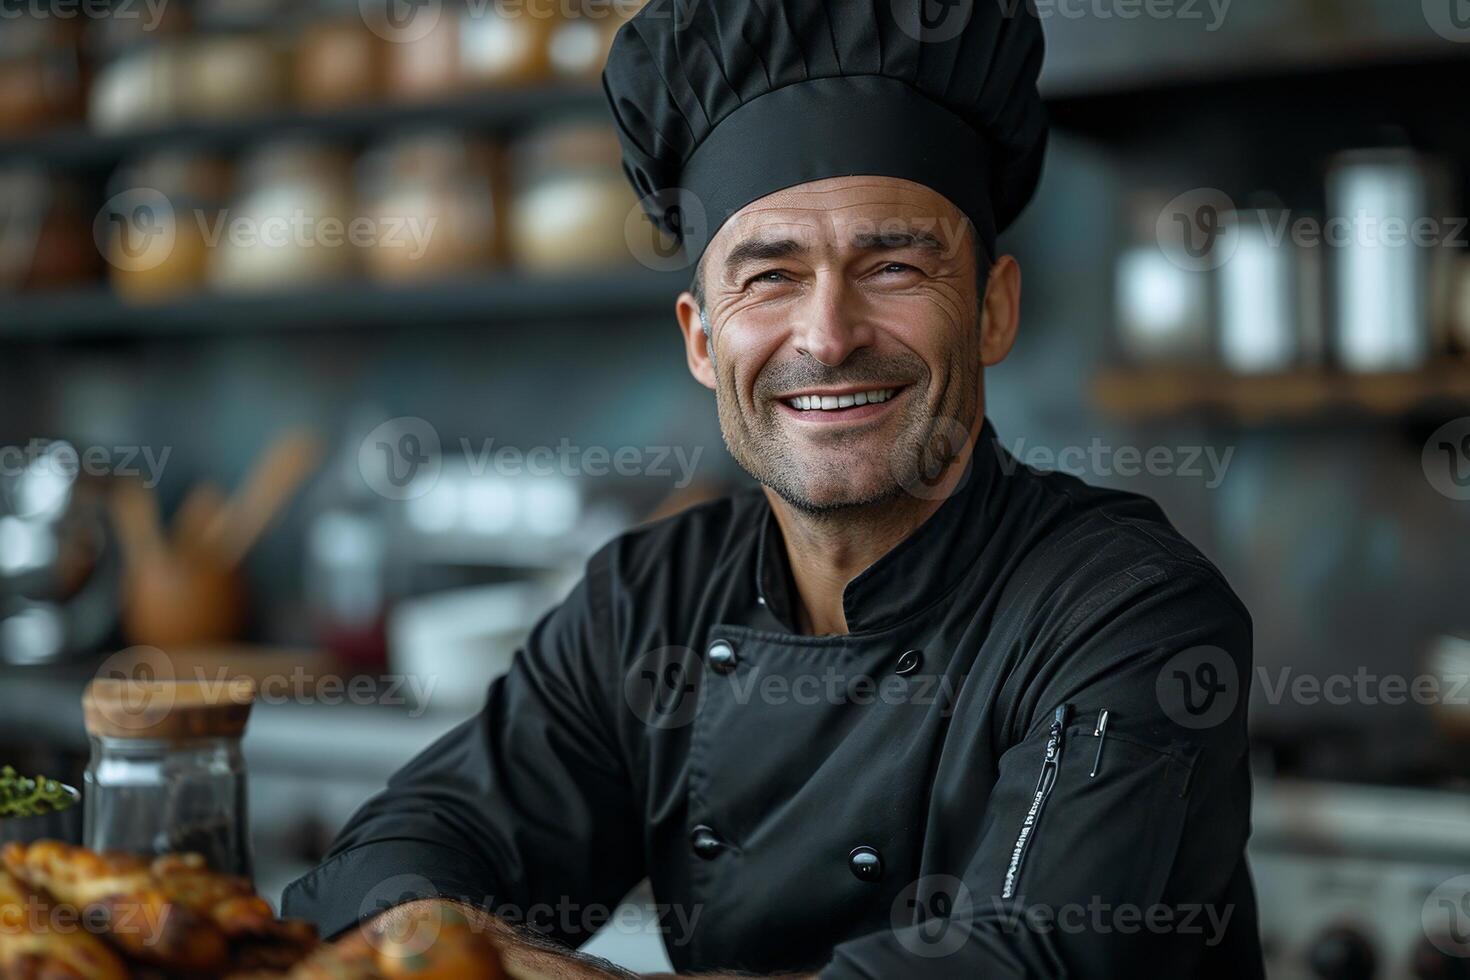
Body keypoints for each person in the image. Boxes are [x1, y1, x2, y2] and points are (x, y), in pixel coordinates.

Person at [284, 1, 1263, 977]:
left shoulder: (1127, 610)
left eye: (891, 264)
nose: (829, 335)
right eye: (771, 277)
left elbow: (1026, 963)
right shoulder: (647, 602)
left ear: (993, 308)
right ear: (704, 340)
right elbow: (380, 872)